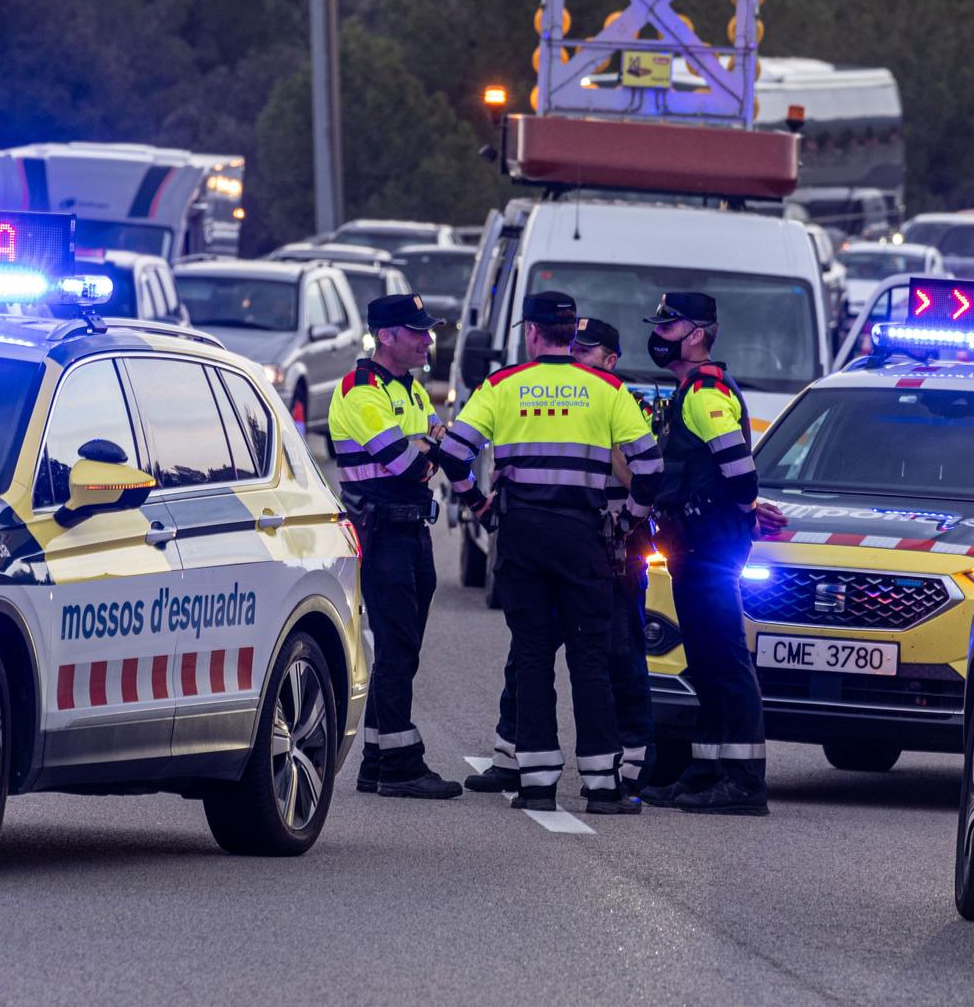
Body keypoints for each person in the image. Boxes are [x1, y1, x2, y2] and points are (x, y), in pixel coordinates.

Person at [437, 293, 662, 814]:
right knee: (590, 657)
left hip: (522, 535)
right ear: (567, 333)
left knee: (533, 654)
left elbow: (453, 453)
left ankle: (535, 783)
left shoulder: (501, 386)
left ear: (533, 334)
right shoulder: (607, 389)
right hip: (584, 537)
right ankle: (603, 786)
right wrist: (625, 521)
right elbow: (650, 470)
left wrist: (480, 504)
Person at [636, 292, 769, 816]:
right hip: (697, 544)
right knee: (708, 662)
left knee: (725, 660)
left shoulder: (706, 391)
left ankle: (742, 781)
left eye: (669, 328)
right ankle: (706, 771)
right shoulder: (689, 389)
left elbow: (739, 470)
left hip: (711, 544)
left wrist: (735, 512)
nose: (659, 337)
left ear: (696, 334)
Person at [327, 294, 461, 800]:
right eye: (417, 332)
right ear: (386, 336)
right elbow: (409, 463)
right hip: (381, 533)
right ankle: (401, 766)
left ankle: (377, 761)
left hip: (412, 532)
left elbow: (434, 451)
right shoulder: (361, 391)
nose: (428, 340)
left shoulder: (410, 389)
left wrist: (429, 448)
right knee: (398, 646)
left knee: (400, 648)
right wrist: (430, 448)